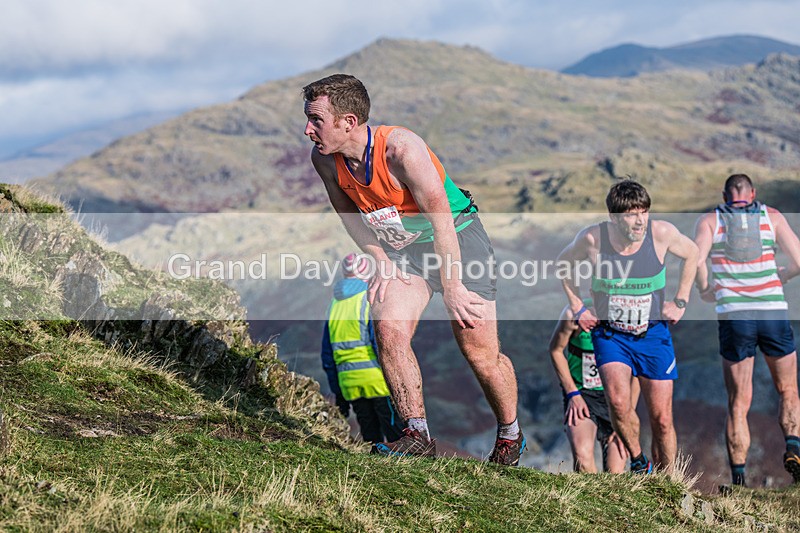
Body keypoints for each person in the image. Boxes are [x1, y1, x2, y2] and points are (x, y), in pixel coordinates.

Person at [303, 74, 524, 465]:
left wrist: (453, 286)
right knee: (388, 328)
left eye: (316, 120)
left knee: (479, 352)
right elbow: (348, 214)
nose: (308, 129)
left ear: (348, 122)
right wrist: (382, 262)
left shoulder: (402, 150)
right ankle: (416, 433)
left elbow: (441, 221)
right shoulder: (324, 160)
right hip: (405, 251)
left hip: (458, 239)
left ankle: (510, 433)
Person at [557, 180, 698, 473]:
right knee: (619, 405)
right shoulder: (594, 239)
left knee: (661, 418)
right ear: (614, 218)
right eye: (631, 214)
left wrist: (681, 300)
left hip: (652, 334)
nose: (639, 221)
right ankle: (638, 461)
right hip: (612, 336)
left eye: (643, 212)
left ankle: (667, 480)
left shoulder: (660, 234)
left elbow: (693, 253)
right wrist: (577, 306)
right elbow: (563, 264)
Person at [694, 173, 800, 486]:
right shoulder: (773, 217)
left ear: (725, 195)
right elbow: (799, 260)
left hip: (734, 314)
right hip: (772, 311)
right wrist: (783, 276)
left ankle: (739, 479)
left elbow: (696, 259)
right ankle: (793, 445)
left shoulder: (711, 221)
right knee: (788, 389)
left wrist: (704, 288)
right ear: (752, 193)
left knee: (738, 401)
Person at [321, 252, 404, 444]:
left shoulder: (334, 306)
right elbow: (380, 343)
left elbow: (327, 355)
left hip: (350, 384)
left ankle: (374, 471)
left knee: (371, 439)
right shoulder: (370, 298)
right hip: (378, 381)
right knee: (396, 439)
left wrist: (339, 393)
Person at [549, 300, 641, 473]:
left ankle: (607, 499)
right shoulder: (574, 315)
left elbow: (637, 368)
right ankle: (588, 498)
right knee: (583, 459)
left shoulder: (629, 317)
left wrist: (628, 412)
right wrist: (572, 394)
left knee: (616, 472)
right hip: (583, 395)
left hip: (617, 397)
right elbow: (555, 350)